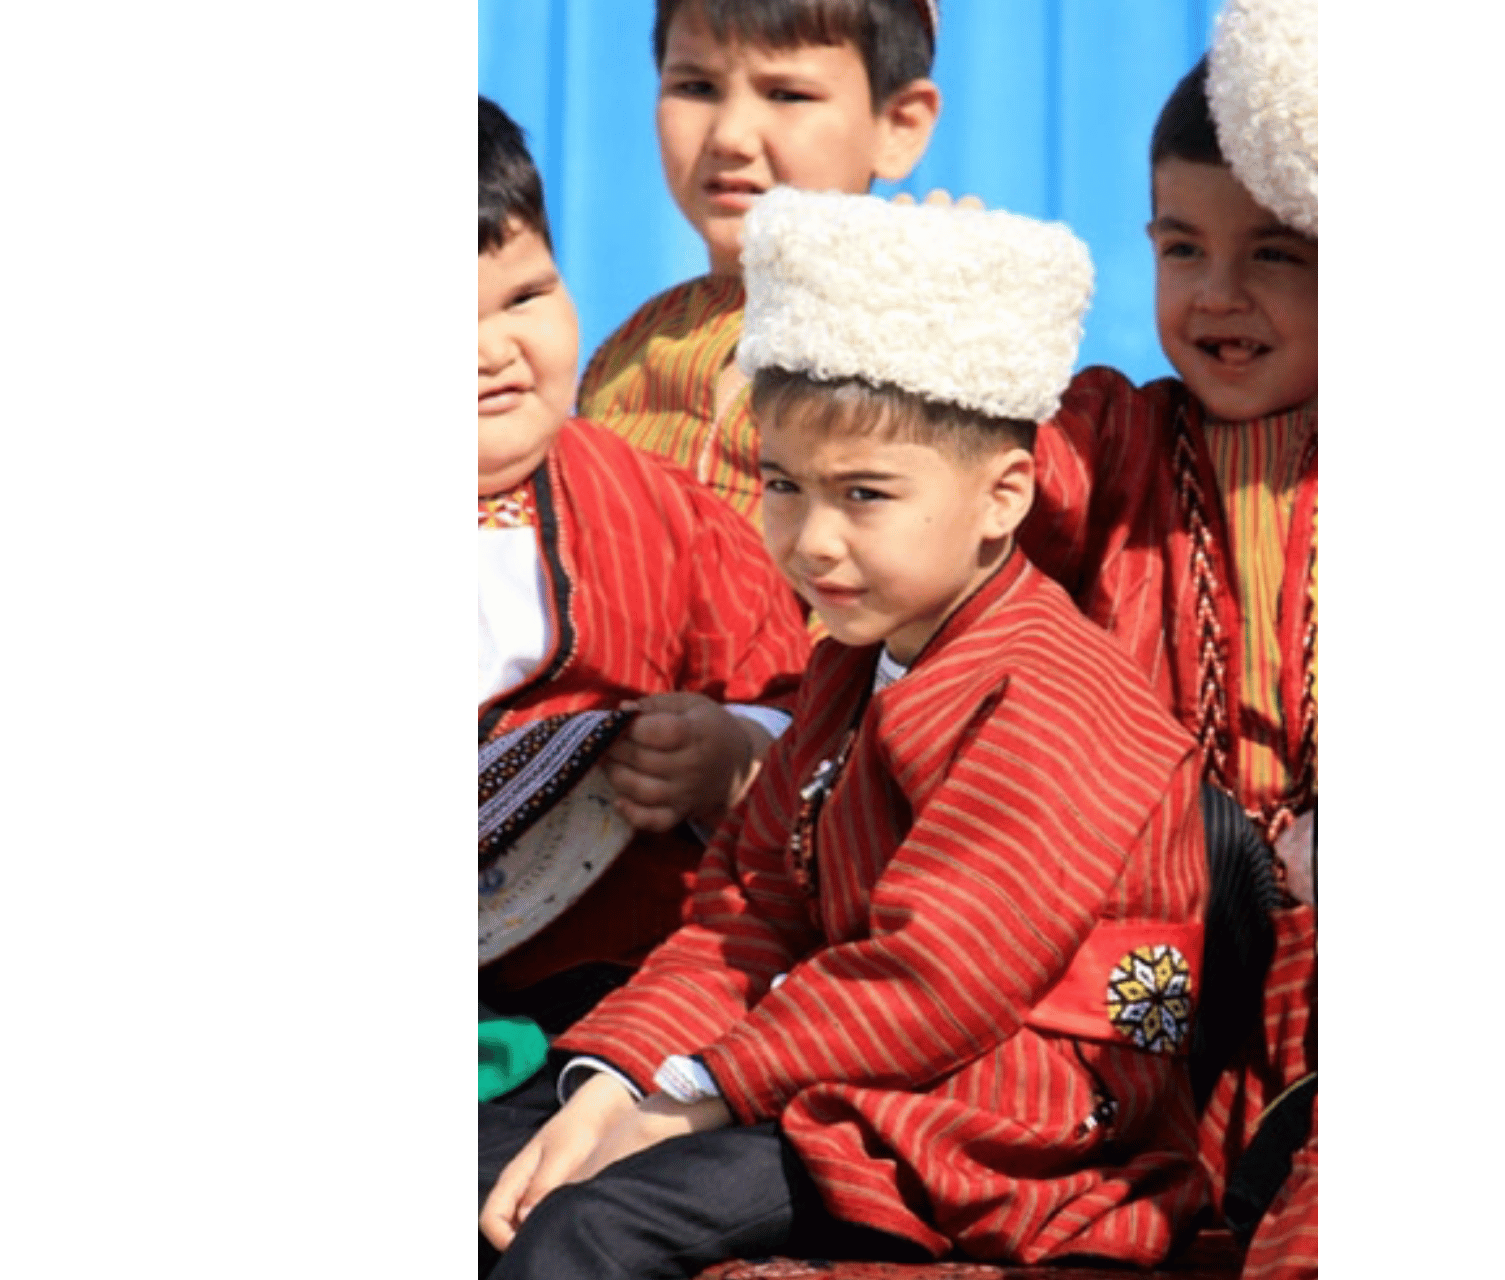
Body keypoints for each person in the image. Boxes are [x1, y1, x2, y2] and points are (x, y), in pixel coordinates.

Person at [480, 188, 1212, 1280]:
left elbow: (938, 973)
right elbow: (747, 908)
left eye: (865, 493)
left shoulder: (1056, 700)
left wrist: (689, 1100)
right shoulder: (849, 666)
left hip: (995, 1127)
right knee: (496, 1162)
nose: (812, 539)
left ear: (1004, 495)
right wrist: (616, 1080)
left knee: (587, 1230)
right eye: (783, 483)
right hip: (835, 1072)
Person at [1021, 4, 1320, 1276]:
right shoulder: (1115, 438)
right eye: (1181, 245)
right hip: (1154, 939)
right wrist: (963, 342)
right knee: (1108, 1112)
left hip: (1322, 938)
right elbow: (995, 492)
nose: (1217, 295)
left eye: (1281, 254)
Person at [477, 95, 811, 1037]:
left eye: (526, 297)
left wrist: (725, 755)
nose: (496, 352)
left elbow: (785, 694)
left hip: (626, 987)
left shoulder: (658, 511)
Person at [577, 0, 943, 524]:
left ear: (898, 126)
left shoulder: (926, 345)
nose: (729, 136)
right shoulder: (633, 351)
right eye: (696, 88)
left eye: (787, 94)